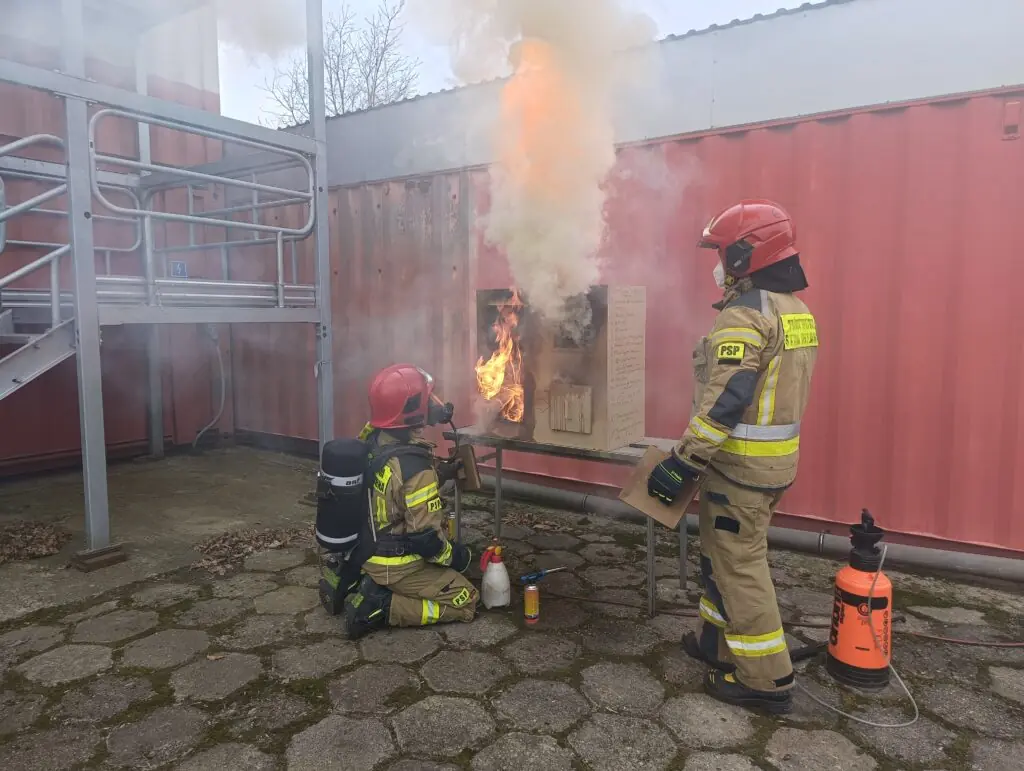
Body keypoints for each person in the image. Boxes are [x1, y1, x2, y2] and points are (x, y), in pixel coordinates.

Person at [647, 199, 818, 714]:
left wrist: (684, 461)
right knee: (718, 557)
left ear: (745, 255)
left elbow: (726, 401)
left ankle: (766, 680)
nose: (718, 265)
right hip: (767, 466)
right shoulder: (795, 311)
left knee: (740, 567)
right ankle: (717, 645)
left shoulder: (746, 316)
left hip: (739, 469)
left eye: (721, 253)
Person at [344, 363, 478, 640]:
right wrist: (457, 557)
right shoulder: (416, 469)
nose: (435, 404)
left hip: (366, 549)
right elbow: (425, 540)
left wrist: (440, 473)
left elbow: (396, 485)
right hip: (396, 565)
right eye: (428, 400)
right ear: (412, 411)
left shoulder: (372, 438)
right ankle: (382, 606)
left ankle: (373, 584)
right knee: (466, 600)